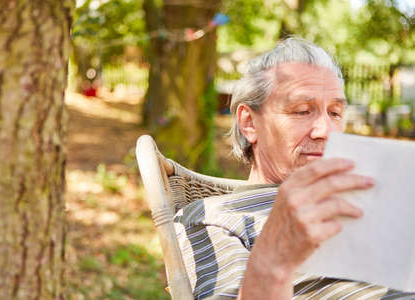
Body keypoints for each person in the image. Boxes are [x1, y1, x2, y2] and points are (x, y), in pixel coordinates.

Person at [174, 38, 415, 299]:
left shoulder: (371, 200)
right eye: (302, 111)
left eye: (335, 113)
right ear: (249, 123)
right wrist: (274, 257)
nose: (326, 131)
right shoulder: (215, 217)